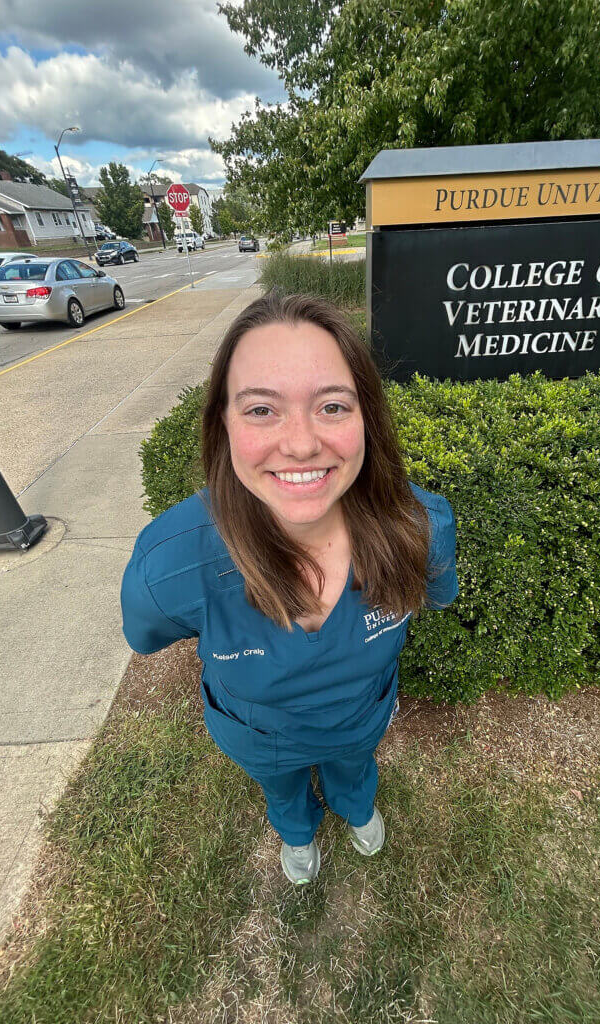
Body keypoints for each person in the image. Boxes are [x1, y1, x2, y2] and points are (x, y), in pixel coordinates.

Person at [120, 291, 458, 886]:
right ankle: (297, 832)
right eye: (260, 410)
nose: (301, 443)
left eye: (332, 406)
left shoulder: (421, 528)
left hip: (361, 719)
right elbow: (146, 637)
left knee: (355, 770)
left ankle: (356, 808)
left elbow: (438, 593)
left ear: (367, 421)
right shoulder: (169, 566)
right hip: (258, 738)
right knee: (281, 790)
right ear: (222, 425)